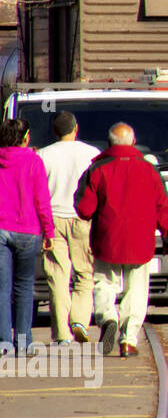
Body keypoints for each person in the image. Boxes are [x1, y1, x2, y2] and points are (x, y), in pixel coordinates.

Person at [74, 122, 168, 357]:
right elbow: (163, 206)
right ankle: (128, 340)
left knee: (104, 283)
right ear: (133, 141)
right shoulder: (149, 169)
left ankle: (108, 317)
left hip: (107, 240)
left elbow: (84, 208)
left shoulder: (97, 169)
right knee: (136, 289)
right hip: (140, 242)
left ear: (110, 143)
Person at [37, 111, 100, 344]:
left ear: (54, 131)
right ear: (76, 128)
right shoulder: (92, 154)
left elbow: (38, 192)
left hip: (52, 220)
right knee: (85, 273)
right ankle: (80, 320)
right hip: (83, 219)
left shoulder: (43, 155)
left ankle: (62, 334)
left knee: (58, 278)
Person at [0, 119, 55, 356]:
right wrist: (48, 231)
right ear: (25, 137)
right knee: (24, 286)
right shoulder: (33, 161)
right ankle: (23, 341)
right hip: (27, 229)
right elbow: (41, 200)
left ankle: (3, 342)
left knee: (2, 289)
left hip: (1, 228)